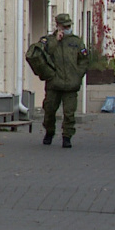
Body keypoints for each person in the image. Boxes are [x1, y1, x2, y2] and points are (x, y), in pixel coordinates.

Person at [39, 13, 90, 148]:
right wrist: (56, 40)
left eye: (68, 26)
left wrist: (78, 75)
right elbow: (43, 54)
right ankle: (49, 132)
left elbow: (84, 60)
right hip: (54, 83)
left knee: (69, 113)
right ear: (58, 26)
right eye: (64, 26)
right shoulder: (49, 40)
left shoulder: (76, 41)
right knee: (49, 110)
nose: (67, 28)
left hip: (71, 84)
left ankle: (67, 136)